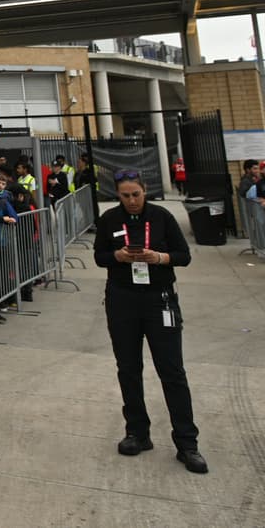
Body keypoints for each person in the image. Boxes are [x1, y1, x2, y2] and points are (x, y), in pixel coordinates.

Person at [93, 171, 206, 473]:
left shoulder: (161, 217)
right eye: (125, 195)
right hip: (122, 298)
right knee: (128, 368)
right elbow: (99, 256)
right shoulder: (109, 220)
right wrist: (117, 255)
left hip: (159, 298)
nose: (131, 200)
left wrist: (158, 257)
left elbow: (184, 255)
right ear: (117, 195)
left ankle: (187, 443)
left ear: (145, 191)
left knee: (172, 370)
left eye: (136, 194)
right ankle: (137, 433)